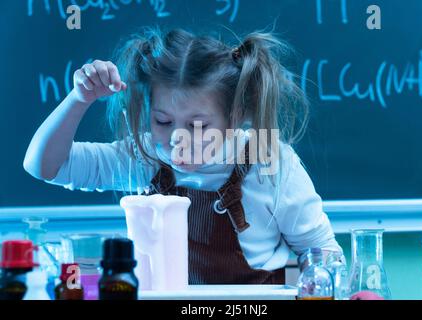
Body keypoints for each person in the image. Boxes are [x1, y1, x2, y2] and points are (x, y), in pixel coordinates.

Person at [24, 27, 344, 284]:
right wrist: (79, 99)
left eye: (198, 125)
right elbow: (44, 166)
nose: (177, 138)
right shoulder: (145, 153)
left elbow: (322, 250)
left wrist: (319, 279)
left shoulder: (268, 157)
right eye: (163, 121)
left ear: (234, 118)